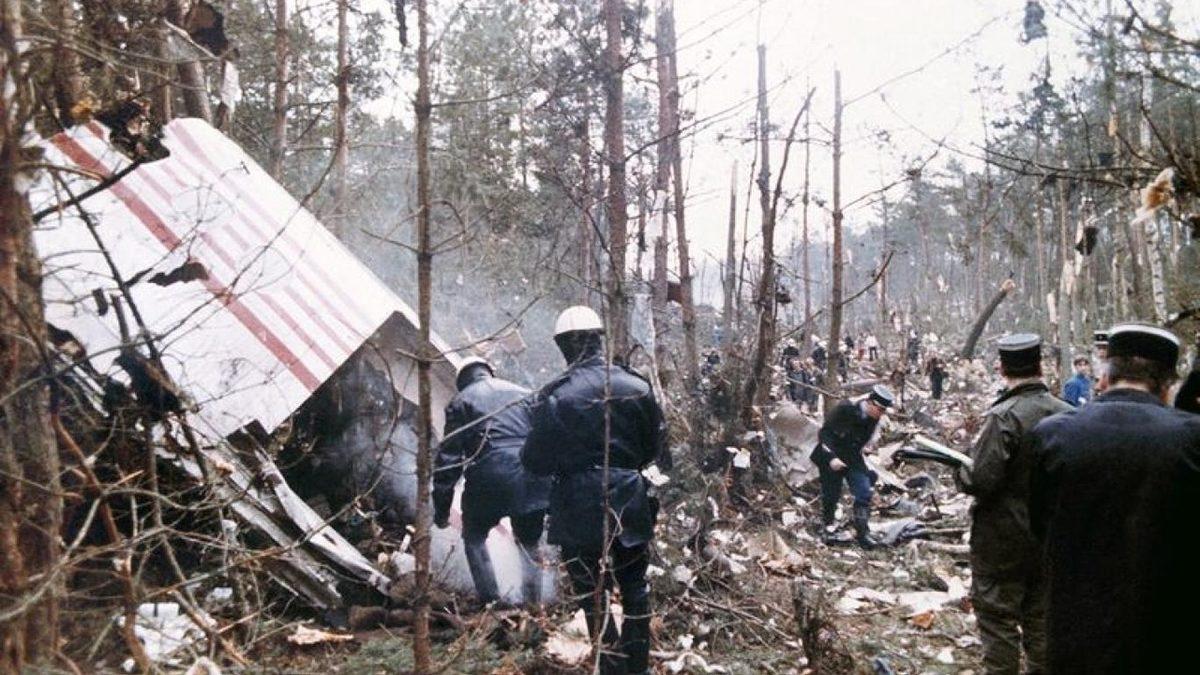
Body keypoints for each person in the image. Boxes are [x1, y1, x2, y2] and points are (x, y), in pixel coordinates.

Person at [1031, 323, 1200, 674]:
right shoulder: (1190, 440)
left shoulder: (1054, 435)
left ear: (1106, 373)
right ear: (1167, 384)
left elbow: (1039, 525)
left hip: (1076, 632)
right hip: (1166, 634)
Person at [522, 306, 669, 675]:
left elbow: (534, 460)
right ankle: (636, 669)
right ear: (599, 338)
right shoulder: (637, 386)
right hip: (630, 495)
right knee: (635, 586)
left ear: (564, 346)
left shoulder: (555, 395)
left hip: (576, 502)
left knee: (592, 592)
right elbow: (657, 450)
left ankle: (611, 667)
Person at [955, 334, 1070, 675]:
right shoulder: (1069, 414)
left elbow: (981, 480)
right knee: (1042, 619)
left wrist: (960, 470)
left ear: (1003, 368)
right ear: (1040, 365)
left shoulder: (1003, 417)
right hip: (1052, 537)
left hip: (1002, 539)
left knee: (998, 620)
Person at [434, 357, 551, 607]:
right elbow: (545, 437)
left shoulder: (460, 401)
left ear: (461, 381)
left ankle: (492, 604)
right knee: (529, 541)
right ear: (489, 370)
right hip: (530, 474)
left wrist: (442, 511)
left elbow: (449, 461)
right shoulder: (524, 393)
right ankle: (534, 607)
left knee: (474, 536)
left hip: (488, 478)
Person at [810, 385, 894, 549]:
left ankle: (863, 534)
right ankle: (827, 526)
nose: (880, 414)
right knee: (831, 493)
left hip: (853, 457)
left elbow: (861, 440)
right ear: (870, 403)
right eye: (879, 409)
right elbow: (825, 434)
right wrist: (832, 458)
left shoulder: (874, 418)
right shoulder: (845, 409)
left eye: (883, 411)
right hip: (830, 454)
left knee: (864, 490)